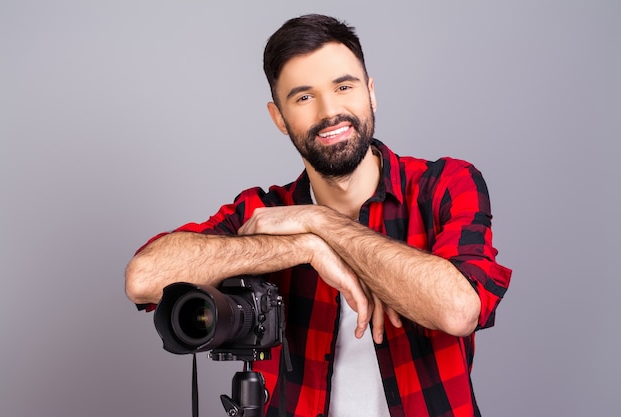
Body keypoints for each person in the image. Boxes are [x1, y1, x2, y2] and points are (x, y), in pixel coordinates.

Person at [125, 14, 512, 417]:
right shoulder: (265, 213)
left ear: (371, 93)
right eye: (304, 97)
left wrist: (321, 224)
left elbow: (459, 309)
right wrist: (302, 247)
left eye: (344, 87)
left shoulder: (445, 185)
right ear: (280, 118)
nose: (330, 112)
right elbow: (143, 278)